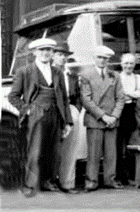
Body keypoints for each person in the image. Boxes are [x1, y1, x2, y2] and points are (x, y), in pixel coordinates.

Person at [8, 38, 73, 197]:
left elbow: (64, 98)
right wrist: (27, 109)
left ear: (52, 53)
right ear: (35, 52)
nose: (46, 53)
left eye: (49, 50)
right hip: (36, 115)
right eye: (42, 50)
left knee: (53, 151)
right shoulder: (24, 71)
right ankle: (29, 184)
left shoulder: (57, 72)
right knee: (34, 151)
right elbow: (13, 96)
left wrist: (68, 121)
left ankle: (48, 182)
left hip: (55, 114)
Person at [79, 45, 125, 191]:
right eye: (99, 57)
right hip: (95, 119)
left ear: (109, 60)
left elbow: (120, 98)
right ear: (94, 58)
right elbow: (86, 100)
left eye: (105, 58)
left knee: (111, 153)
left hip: (112, 119)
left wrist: (114, 116)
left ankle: (110, 180)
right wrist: (103, 116)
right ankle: (91, 182)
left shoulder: (115, 76)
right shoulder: (86, 75)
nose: (102, 60)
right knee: (93, 153)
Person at [53, 42, 84, 194]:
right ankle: (48, 181)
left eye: (65, 55)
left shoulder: (72, 76)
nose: (62, 58)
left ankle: (67, 183)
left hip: (70, 111)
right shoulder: (47, 73)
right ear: (53, 55)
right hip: (53, 111)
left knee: (70, 148)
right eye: (59, 54)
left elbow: (77, 97)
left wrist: (76, 111)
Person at [117, 53, 140, 185]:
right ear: (121, 63)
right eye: (126, 63)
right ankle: (119, 176)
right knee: (118, 145)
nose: (128, 66)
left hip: (133, 111)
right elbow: (117, 95)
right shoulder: (117, 77)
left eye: (131, 63)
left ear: (135, 64)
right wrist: (134, 94)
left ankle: (132, 175)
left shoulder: (139, 77)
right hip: (119, 111)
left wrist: (128, 93)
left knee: (133, 143)